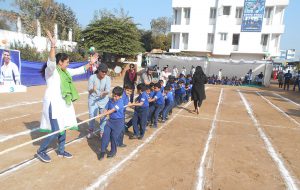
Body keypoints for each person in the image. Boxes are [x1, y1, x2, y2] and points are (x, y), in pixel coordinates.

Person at [37, 30, 97, 163]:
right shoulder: (51, 71)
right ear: (60, 62)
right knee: (56, 130)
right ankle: (41, 151)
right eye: (67, 62)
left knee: (63, 128)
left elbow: (79, 70)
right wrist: (53, 45)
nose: (69, 64)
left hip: (63, 103)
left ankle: (61, 150)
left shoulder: (66, 71)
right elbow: (51, 61)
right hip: (53, 103)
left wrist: (91, 63)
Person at [99, 86, 127, 160]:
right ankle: (102, 151)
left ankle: (113, 151)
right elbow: (106, 108)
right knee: (105, 135)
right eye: (113, 95)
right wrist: (103, 112)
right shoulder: (110, 100)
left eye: (116, 96)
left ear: (120, 96)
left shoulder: (120, 102)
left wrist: (103, 114)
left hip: (118, 122)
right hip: (110, 121)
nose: (114, 97)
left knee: (114, 137)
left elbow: (112, 110)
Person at [87, 63, 111, 139]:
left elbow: (107, 91)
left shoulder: (107, 78)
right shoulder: (92, 77)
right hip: (93, 99)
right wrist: (92, 90)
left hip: (104, 100)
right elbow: (90, 91)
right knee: (92, 115)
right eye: (103, 71)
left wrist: (104, 93)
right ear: (98, 70)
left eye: (105, 72)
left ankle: (102, 132)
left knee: (103, 116)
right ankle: (91, 131)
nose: (104, 73)